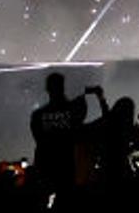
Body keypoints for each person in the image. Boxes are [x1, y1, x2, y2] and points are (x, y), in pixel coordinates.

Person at [30, 74, 100, 204]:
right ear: (63, 88)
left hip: (45, 166)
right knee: (65, 205)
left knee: (43, 206)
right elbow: (81, 120)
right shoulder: (73, 110)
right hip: (66, 168)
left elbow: (38, 138)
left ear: (47, 88)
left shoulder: (38, 115)